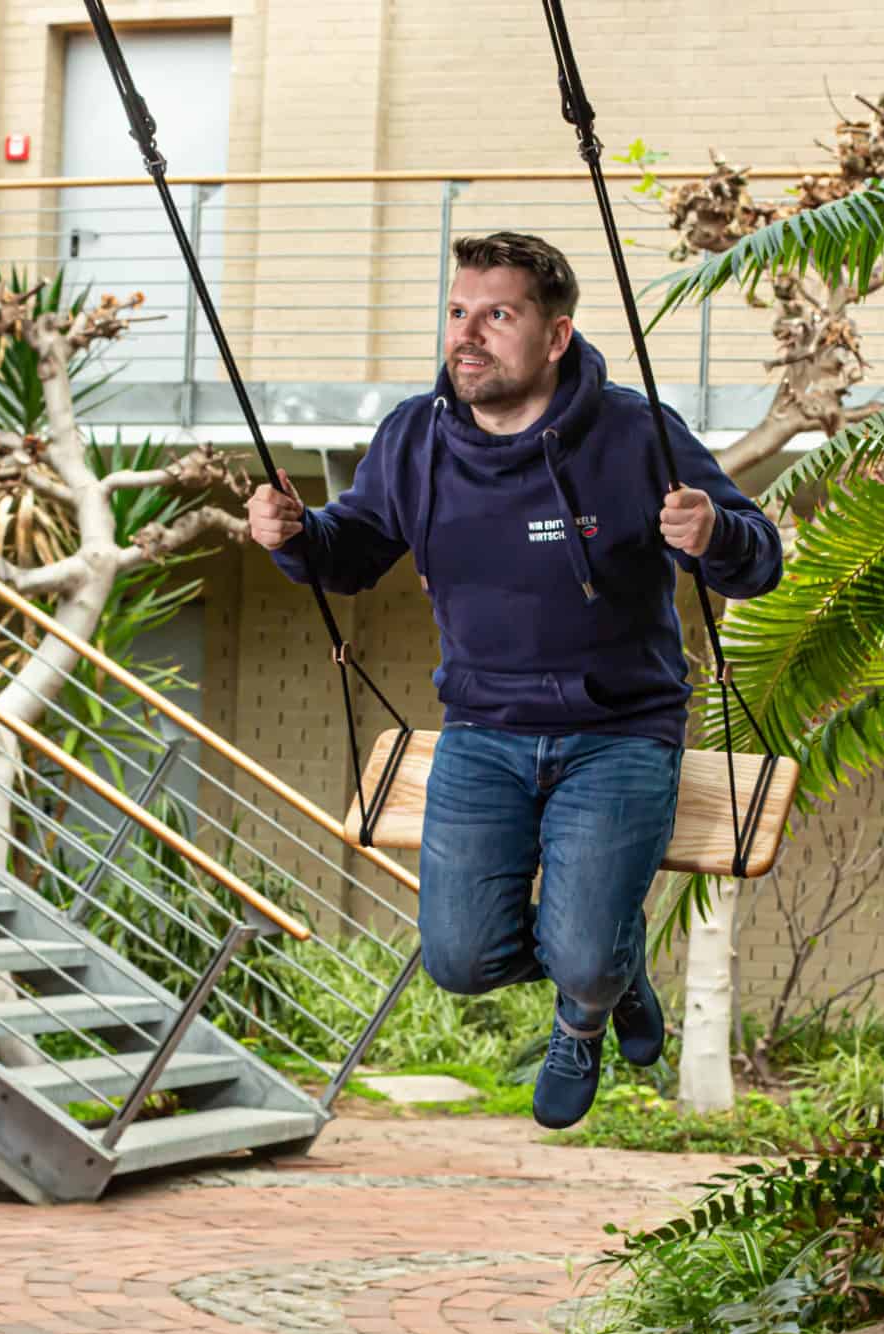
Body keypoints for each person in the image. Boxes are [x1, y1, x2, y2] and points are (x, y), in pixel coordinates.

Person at [246, 231, 783, 1128]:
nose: (469, 334)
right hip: (483, 732)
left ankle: (584, 1010)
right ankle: (613, 964)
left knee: (580, 954)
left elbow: (756, 556)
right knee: (458, 961)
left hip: (619, 733)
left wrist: (714, 535)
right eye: (459, 312)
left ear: (556, 335)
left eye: (498, 315)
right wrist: (294, 534)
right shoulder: (415, 439)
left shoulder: (632, 433)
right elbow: (351, 553)